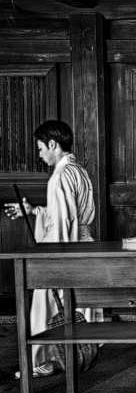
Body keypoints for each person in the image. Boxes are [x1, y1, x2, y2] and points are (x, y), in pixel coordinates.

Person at [4, 120, 97, 377]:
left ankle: (43, 361)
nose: (40, 154)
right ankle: (63, 358)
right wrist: (35, 211)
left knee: (46, 307)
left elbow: (64, 222)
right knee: (69, 306)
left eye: (40, 148)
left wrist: (54, 261)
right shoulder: (78, 170)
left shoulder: (60, 176)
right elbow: (68, 216)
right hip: (81, 246)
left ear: (53, 144)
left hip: (65, 248)